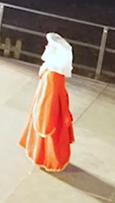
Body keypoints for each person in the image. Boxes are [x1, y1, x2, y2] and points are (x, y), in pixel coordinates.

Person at [22, 32, 75, 172]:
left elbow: (49, 97)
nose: (46, 47)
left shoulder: (53, 73)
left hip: (48, 110)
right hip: (46, 105)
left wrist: (43, 115)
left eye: (49, 46)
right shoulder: (52, 68)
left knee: (49, 137)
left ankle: (49, 160)